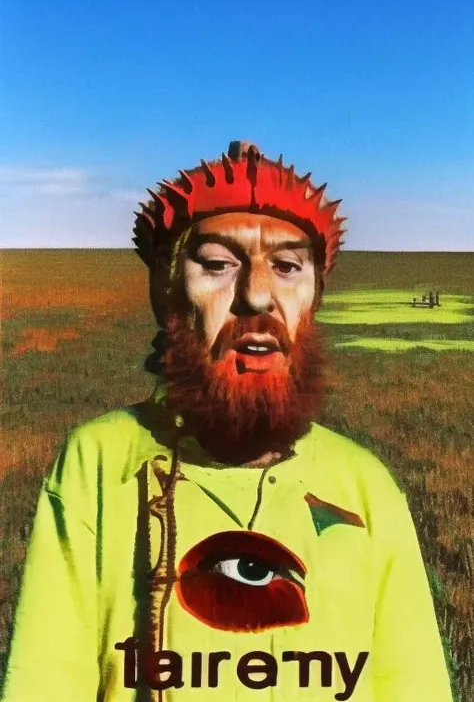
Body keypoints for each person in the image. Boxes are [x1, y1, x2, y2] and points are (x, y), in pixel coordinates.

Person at [1, 142, 453, 702]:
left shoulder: (364, 484)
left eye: (288, 266)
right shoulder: (99, 462)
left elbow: (414, 687)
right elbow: (45, 682)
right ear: (167, 292)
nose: (257, 296)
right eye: (217, 264)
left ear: (313, 298)